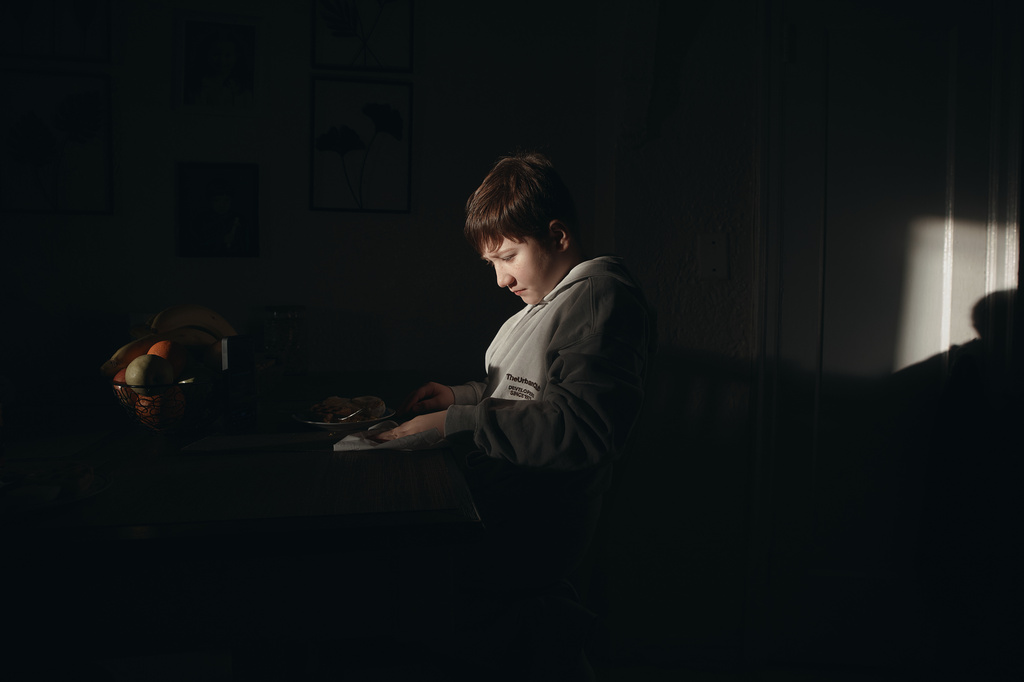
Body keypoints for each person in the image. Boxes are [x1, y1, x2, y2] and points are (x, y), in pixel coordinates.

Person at [376, 151, 654, 677]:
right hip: (502, 504)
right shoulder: (539, 308)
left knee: (397, 568)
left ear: (557, 236)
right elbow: (520, 394)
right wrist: (459, 398)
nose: (501, 280)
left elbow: (582, 427)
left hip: (536, 526)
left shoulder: (598, 298)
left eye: (507, 257)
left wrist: (458, 424)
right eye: (492, 264)